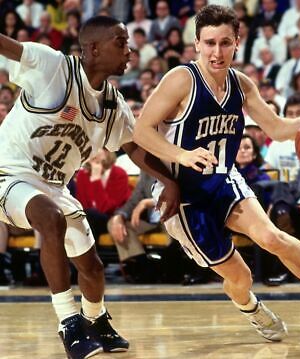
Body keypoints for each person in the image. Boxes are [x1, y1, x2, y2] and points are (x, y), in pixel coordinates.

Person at [133, 5, 300, 343]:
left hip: (224, 177)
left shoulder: (242, 84)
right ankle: (251, 308)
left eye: (225, 43)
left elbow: (277, 129)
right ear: (196, 44)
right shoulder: (181, 80)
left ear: (237, 43)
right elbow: (141, 132)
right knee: (241, 276)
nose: (217, 52)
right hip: (184, 194)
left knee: (270, 237)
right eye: (209, 43)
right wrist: (182, 154)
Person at [0, 16, 179, 359]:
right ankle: (69, 323)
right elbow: (7, 45)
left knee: (93, 266)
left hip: (53, 186)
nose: (129, 51)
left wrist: (168, 180)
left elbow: (134, 148)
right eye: (121, 43)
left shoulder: (114, 105)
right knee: (51, 219)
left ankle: (95, 320)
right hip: (8, 173)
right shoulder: (52, 66)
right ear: (93, 49)